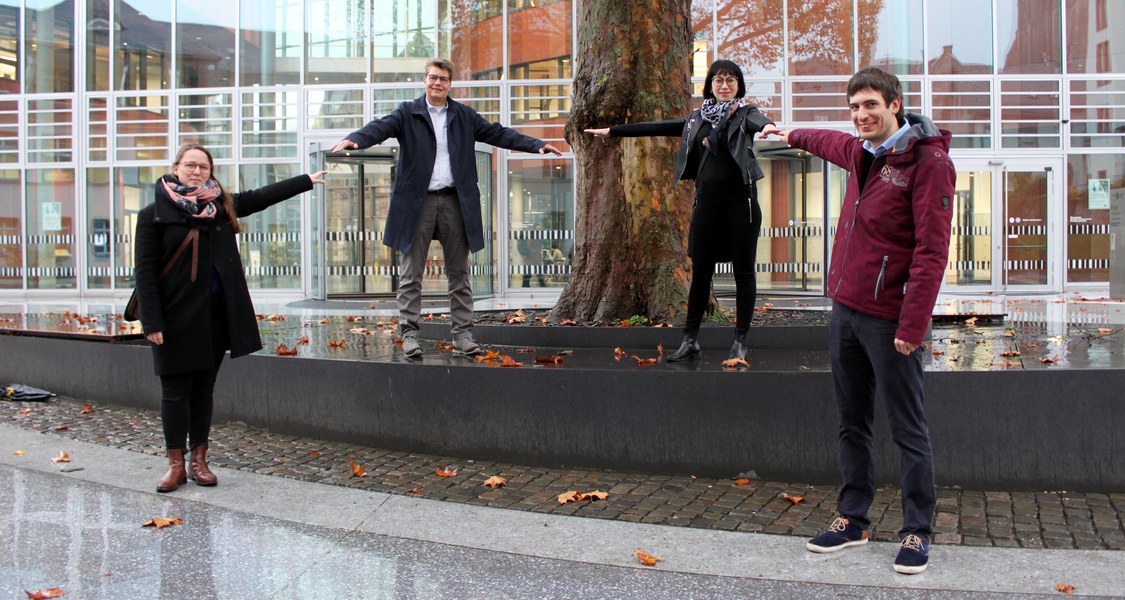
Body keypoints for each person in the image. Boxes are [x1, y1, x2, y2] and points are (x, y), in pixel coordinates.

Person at [760, 67, 955, 574]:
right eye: (854, 108)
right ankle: (853, 519)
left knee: (907, 427)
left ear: (894, 104)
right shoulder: (863, 153)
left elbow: (931, 251)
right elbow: (827, 141)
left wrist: (913, 326)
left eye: (870, 105)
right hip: (845, 310)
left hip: (890, 320)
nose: (861, 116)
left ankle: (916, 530)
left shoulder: (926, 161)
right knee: (852, 423)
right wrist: (788, 132)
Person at [331, 58, 562, 358]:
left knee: (459, 274)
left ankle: (463, 336)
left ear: (450, 83)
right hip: (418, 202)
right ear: (424, 80)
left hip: (455, 201)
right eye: (432, 77)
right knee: (411, 273)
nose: (437, 83)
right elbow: (380, 128)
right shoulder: (407, 112)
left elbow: (498, 133)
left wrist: (536, 145)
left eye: (443, 79)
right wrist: (355, 139)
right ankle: (410, 335)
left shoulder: (464, 116)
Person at [134, 143, 326, 493]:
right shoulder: (153, 214)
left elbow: (261, 196)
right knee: (175, 392)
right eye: (190, 165)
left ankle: (199, 461)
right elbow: (145, 273)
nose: (197, 172)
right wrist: (153, 322)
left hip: (215, 317)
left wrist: (306, 180)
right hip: (174, 318)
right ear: (176, 167)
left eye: (203, 167)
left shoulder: (220, 206)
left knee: (204, 390)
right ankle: (175, 464)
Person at [585, 59, 772, 362]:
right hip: (707, 204)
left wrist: (769, 128)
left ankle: (740, 340)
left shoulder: (745, 113)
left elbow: (760, 121)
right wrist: (613, 131)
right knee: (700, 273)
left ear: (738, 85)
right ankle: (690, 339)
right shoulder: (695, 119)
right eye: (719, 80)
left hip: (742, 204)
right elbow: (656, 127)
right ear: (710, 85)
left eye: (731, 80)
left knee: (744, 272)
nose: (725, 86)